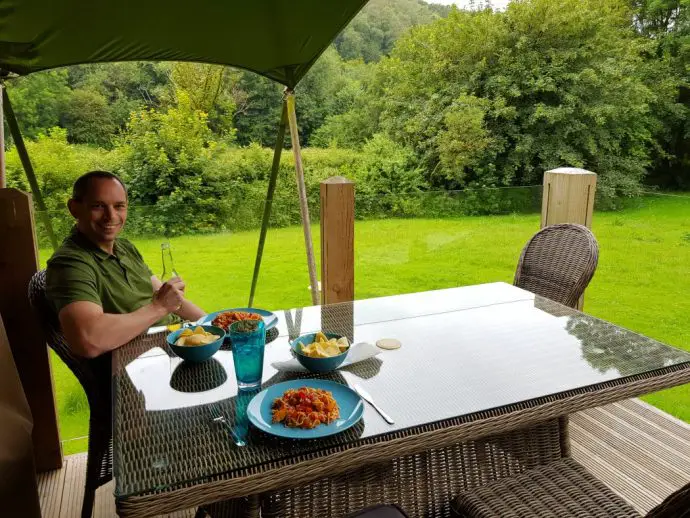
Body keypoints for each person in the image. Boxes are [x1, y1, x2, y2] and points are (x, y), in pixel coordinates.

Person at [46, 171, 205, 358]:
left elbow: (170, 296)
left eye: (119, 206)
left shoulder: (124, 247)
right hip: (143, 363)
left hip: (178, 343)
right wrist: (158, 308)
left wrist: (214, 324)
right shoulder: (70, 263)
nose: (111, 216)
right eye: (98, 206)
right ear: (74, 208)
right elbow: (88, 339)